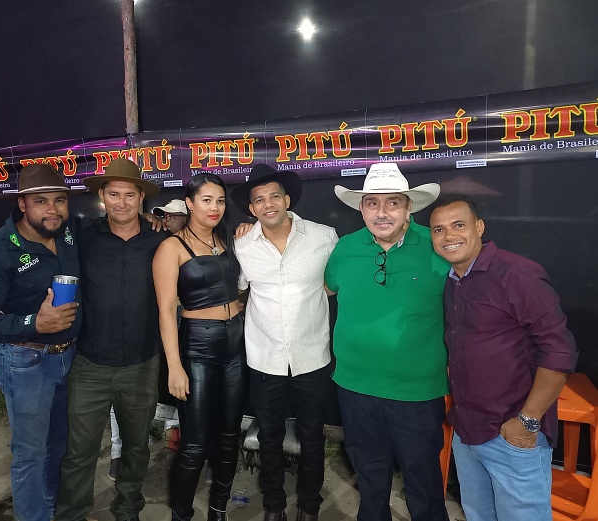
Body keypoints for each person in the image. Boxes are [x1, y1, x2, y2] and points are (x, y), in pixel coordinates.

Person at [429, 194, 578, 521]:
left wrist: (528, 421)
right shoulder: (453, 281)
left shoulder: (516, 273)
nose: (449, 235)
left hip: (512, 436)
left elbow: (559, 350)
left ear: (479, 227)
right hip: (467, 432)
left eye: (458, 225)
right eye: (438, 230)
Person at [324, 162, 450, 521]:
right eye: (372, 203)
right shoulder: (346, 248)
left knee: (423, 483)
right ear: (361, 209)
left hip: (417, 392)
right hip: (354, 387)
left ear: (409, 207)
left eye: (393, 202)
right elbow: (328, 288)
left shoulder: (437, 246)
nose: (382, 212)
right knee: (369, 479)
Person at [0, 164, 80, 521]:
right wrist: (34, 323)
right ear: (22, 204)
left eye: (59, 200)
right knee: (30, 453)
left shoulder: (68, 231)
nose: (53, 210)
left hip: (69, 356)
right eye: (41, 201)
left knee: (58, 444)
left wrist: (156, 221)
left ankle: (50, 510)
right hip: (26, 363)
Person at [56, 158, 168, 521]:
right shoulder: (82, 237)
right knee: (80, 451)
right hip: (90, 363)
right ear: (102, 196)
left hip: (142, 362)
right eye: (114, 194)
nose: (122, 202)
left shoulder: (160, 240)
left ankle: (128, 507)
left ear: (141, 198)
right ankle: (72, 514)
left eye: (129, 195)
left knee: (136, 446)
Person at [230, 164, 338, 521]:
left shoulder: (324, 236)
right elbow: (240, 290)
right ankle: (274, 505)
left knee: (312, 436)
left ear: (287, 200)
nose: (268, 204)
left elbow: (334, 284)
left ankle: (310, 506)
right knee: (270, 435)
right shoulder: (242, 244)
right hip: (265, 357)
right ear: (252, 208)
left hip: (312, 356)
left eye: (274, 196)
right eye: (259, 200)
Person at [153, 173, 247, 521]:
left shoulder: (226, 239)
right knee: (195, 442)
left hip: (235, 345)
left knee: (230, 433)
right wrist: (175, 367)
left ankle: (218, 509)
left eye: (220, 200)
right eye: (206, 200)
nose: (214, 207)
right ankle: (181, 514)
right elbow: (166, 311)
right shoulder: (171, 247)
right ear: (190, 203)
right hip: (198, 347)